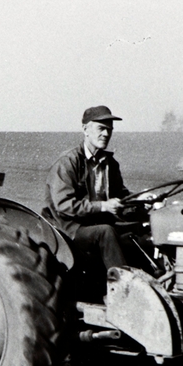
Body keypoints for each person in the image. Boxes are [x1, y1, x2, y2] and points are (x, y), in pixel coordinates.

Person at [43, 105, 132, 272]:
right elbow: (64, 205)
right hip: (69, 229)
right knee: (106, 232)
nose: (106, 134)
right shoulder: (68, 162)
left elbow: (121, 195)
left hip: (97, 224)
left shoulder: (110, 164)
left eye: (109, 130)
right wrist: (103, 206)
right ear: (85, 129)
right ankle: (124, 287)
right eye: (101, 128)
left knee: (140, 232)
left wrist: (141, 200)